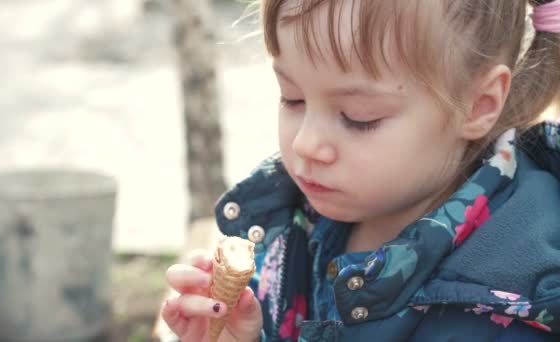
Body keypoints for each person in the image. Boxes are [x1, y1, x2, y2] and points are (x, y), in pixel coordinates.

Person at [161, 0, 560, 340]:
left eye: (358, 117)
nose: (305, 144)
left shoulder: (512, 306)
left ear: (479, 105)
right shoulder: (295, 225)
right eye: (292, 98)